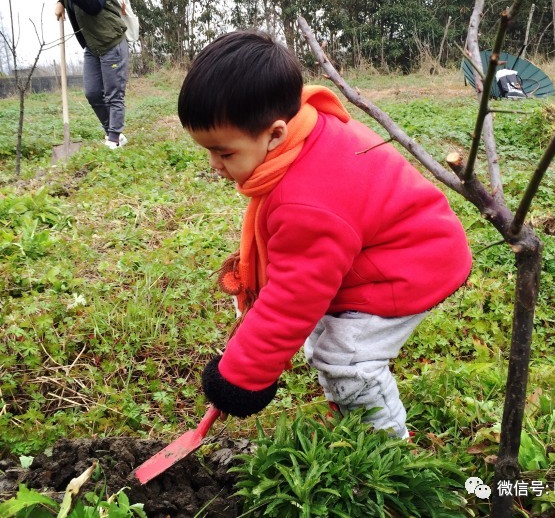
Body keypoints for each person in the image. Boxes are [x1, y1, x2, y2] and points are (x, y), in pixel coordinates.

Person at [177, 31, 472, 439]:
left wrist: (240, 379)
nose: (215, 164)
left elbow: (292, 300)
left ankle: (383, 449)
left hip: (409, 266)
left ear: (276, 133)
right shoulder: (303, 131)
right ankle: (350, 411)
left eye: (225, 153)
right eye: (207, 150)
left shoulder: (307, 202)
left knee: (345, 359)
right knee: (321, 338)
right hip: (387, 248)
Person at [46, 0, 129, 149]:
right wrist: (61, 1)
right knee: (92, 93)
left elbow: (93, 6)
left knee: (113, 94)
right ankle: (113, 133)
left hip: (111, 43)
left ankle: (114, 139)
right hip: (92, 48)